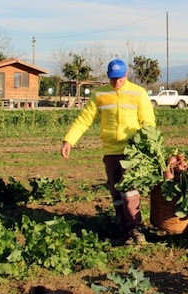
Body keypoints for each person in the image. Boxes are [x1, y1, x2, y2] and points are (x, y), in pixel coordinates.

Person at [60, 59, 156, 244]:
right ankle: (123, 231)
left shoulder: (138, 93)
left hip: (132, 151)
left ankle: (137, 231)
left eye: (120, 78)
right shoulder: (100, 95)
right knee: (116, 193)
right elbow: (84, 119)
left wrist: (147, 145)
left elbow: (148, 122)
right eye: (113, 79)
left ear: (126, 75)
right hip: (110, 151)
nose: (116, 82)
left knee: (130, 192)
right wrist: (69, 140)